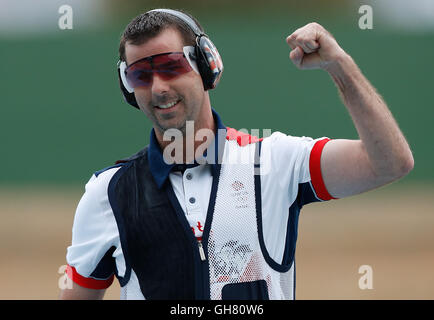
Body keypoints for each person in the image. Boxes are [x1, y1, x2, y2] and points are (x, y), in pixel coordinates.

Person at [59, 8, 413, 300]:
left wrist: (339, 65)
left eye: (170, 66)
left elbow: (390, 163)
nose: (158, 88)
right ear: (127, 87)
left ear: (206, 63)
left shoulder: (275, 163)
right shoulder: (107, 194)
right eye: (140, 75)